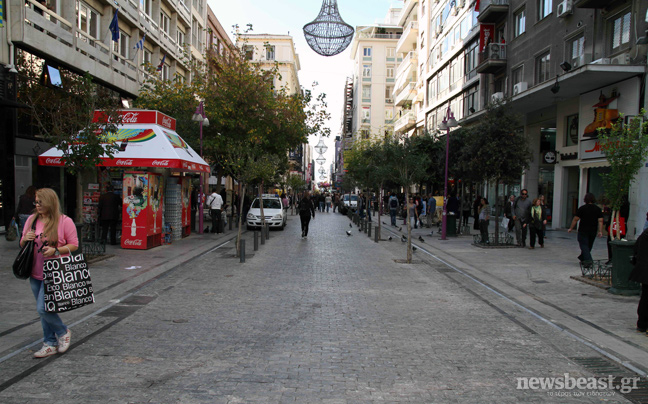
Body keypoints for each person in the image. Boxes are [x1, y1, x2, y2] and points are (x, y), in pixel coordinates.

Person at [20, 188, 78, 358]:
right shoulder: (32, 220)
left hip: (55, 271)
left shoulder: (64, 221)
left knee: (43, 308)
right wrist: (25, 239)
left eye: (40, 202)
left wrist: (56, 250)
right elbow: (22, 243)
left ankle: (62, 332)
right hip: (34, 270)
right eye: (35, 202)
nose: (37, 205)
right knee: (45, 309)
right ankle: (49, 343)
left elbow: (74, 244)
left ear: (50, 202)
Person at [568, 192, 604, 265]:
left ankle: (588, 261)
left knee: (584, 245)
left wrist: (571, 228)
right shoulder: (597, 209)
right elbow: (600, 221)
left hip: (583, 230)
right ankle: (583, 258)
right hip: (593, 230)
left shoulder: (582, 208)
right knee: (589, 246)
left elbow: (575, 219)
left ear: (585, 199)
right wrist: (600, 231)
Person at [629, 226, 648, 332]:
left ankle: (642, 324)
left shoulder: (644, 234)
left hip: (644, 270)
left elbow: (636, 249)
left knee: (645, 297)